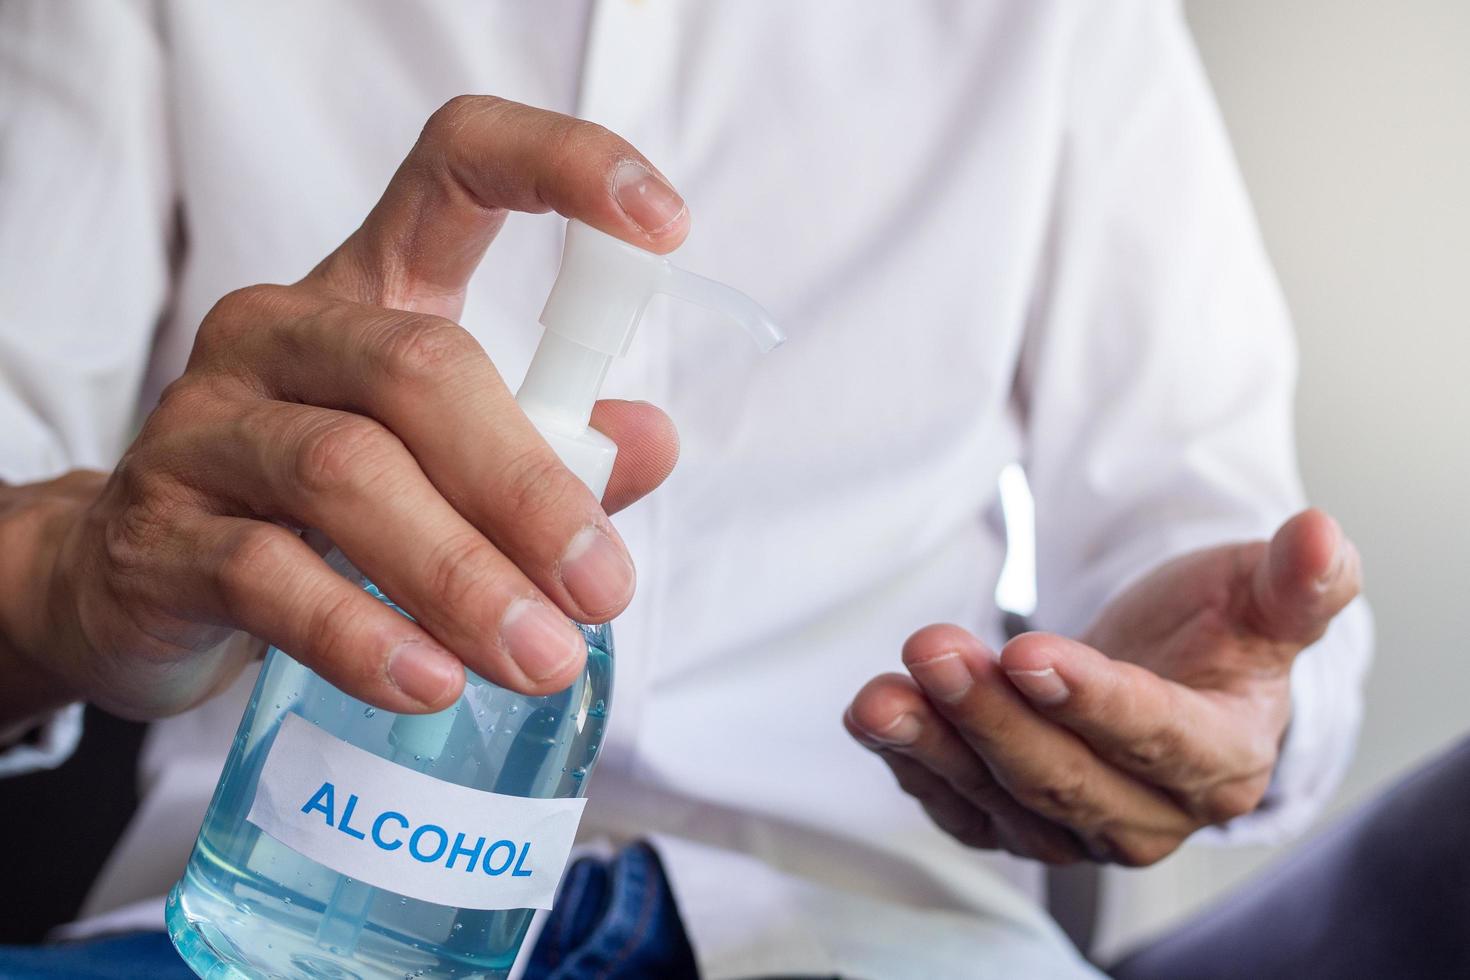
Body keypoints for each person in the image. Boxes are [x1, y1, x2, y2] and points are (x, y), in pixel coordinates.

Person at [0, 2, 1377, 977]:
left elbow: (1208, 536)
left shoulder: (1070, 24)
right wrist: (65, 577)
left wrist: (1206, 697)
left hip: (877, 938)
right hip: (258, 932)